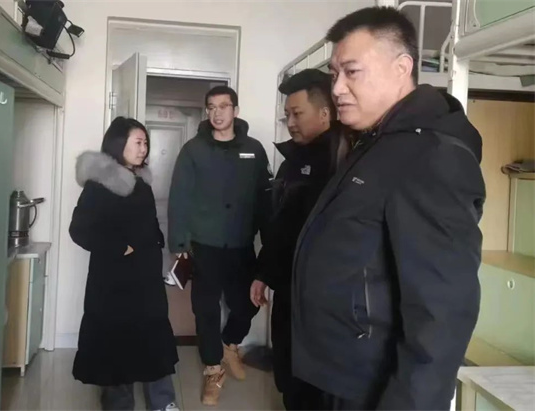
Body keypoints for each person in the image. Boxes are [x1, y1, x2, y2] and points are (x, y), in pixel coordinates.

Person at [291, 7, 486, 410]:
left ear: (402, 68)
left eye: (352, 72)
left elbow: (442, 313)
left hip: (373, 388)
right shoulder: (376, 142)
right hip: (340, 373)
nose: (337, 88)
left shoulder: (430, 156)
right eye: (334, 74)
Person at [249, 69, 348, 410]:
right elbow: (281, 224)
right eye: (287, 114)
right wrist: (264, 273)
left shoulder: (344, 162)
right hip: (289, 289)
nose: (290, 122)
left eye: (297, 113)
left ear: (325, 113)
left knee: (311, 384)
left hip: (322, 298)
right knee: (288, 373)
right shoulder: (294, 161)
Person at [167, 86, 272, 406]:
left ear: (235, 111)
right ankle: (213, 369)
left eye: (223, 106)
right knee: (206, 309)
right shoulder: (193, 150)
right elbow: (179, 197)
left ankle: (230, 344)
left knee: (249, 303)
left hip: (241, 243)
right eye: (211, 107)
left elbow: (264, 200)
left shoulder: (254, 149)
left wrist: (270, 243)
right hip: (205, 244)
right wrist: (180, 241)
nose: (217, 113)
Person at [70, 117, 180, 411]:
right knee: (116, 345)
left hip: (146, 280)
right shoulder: (99, 185)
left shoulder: (141, 182)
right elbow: (79, 230)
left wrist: (157, 244)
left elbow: (147, 223)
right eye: (138, 142)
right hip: (114, 283)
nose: (144, 149)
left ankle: (163, 403)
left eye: (146, 143)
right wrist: (121, 248)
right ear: (119, 144)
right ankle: (119, 405)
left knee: (154, 338)